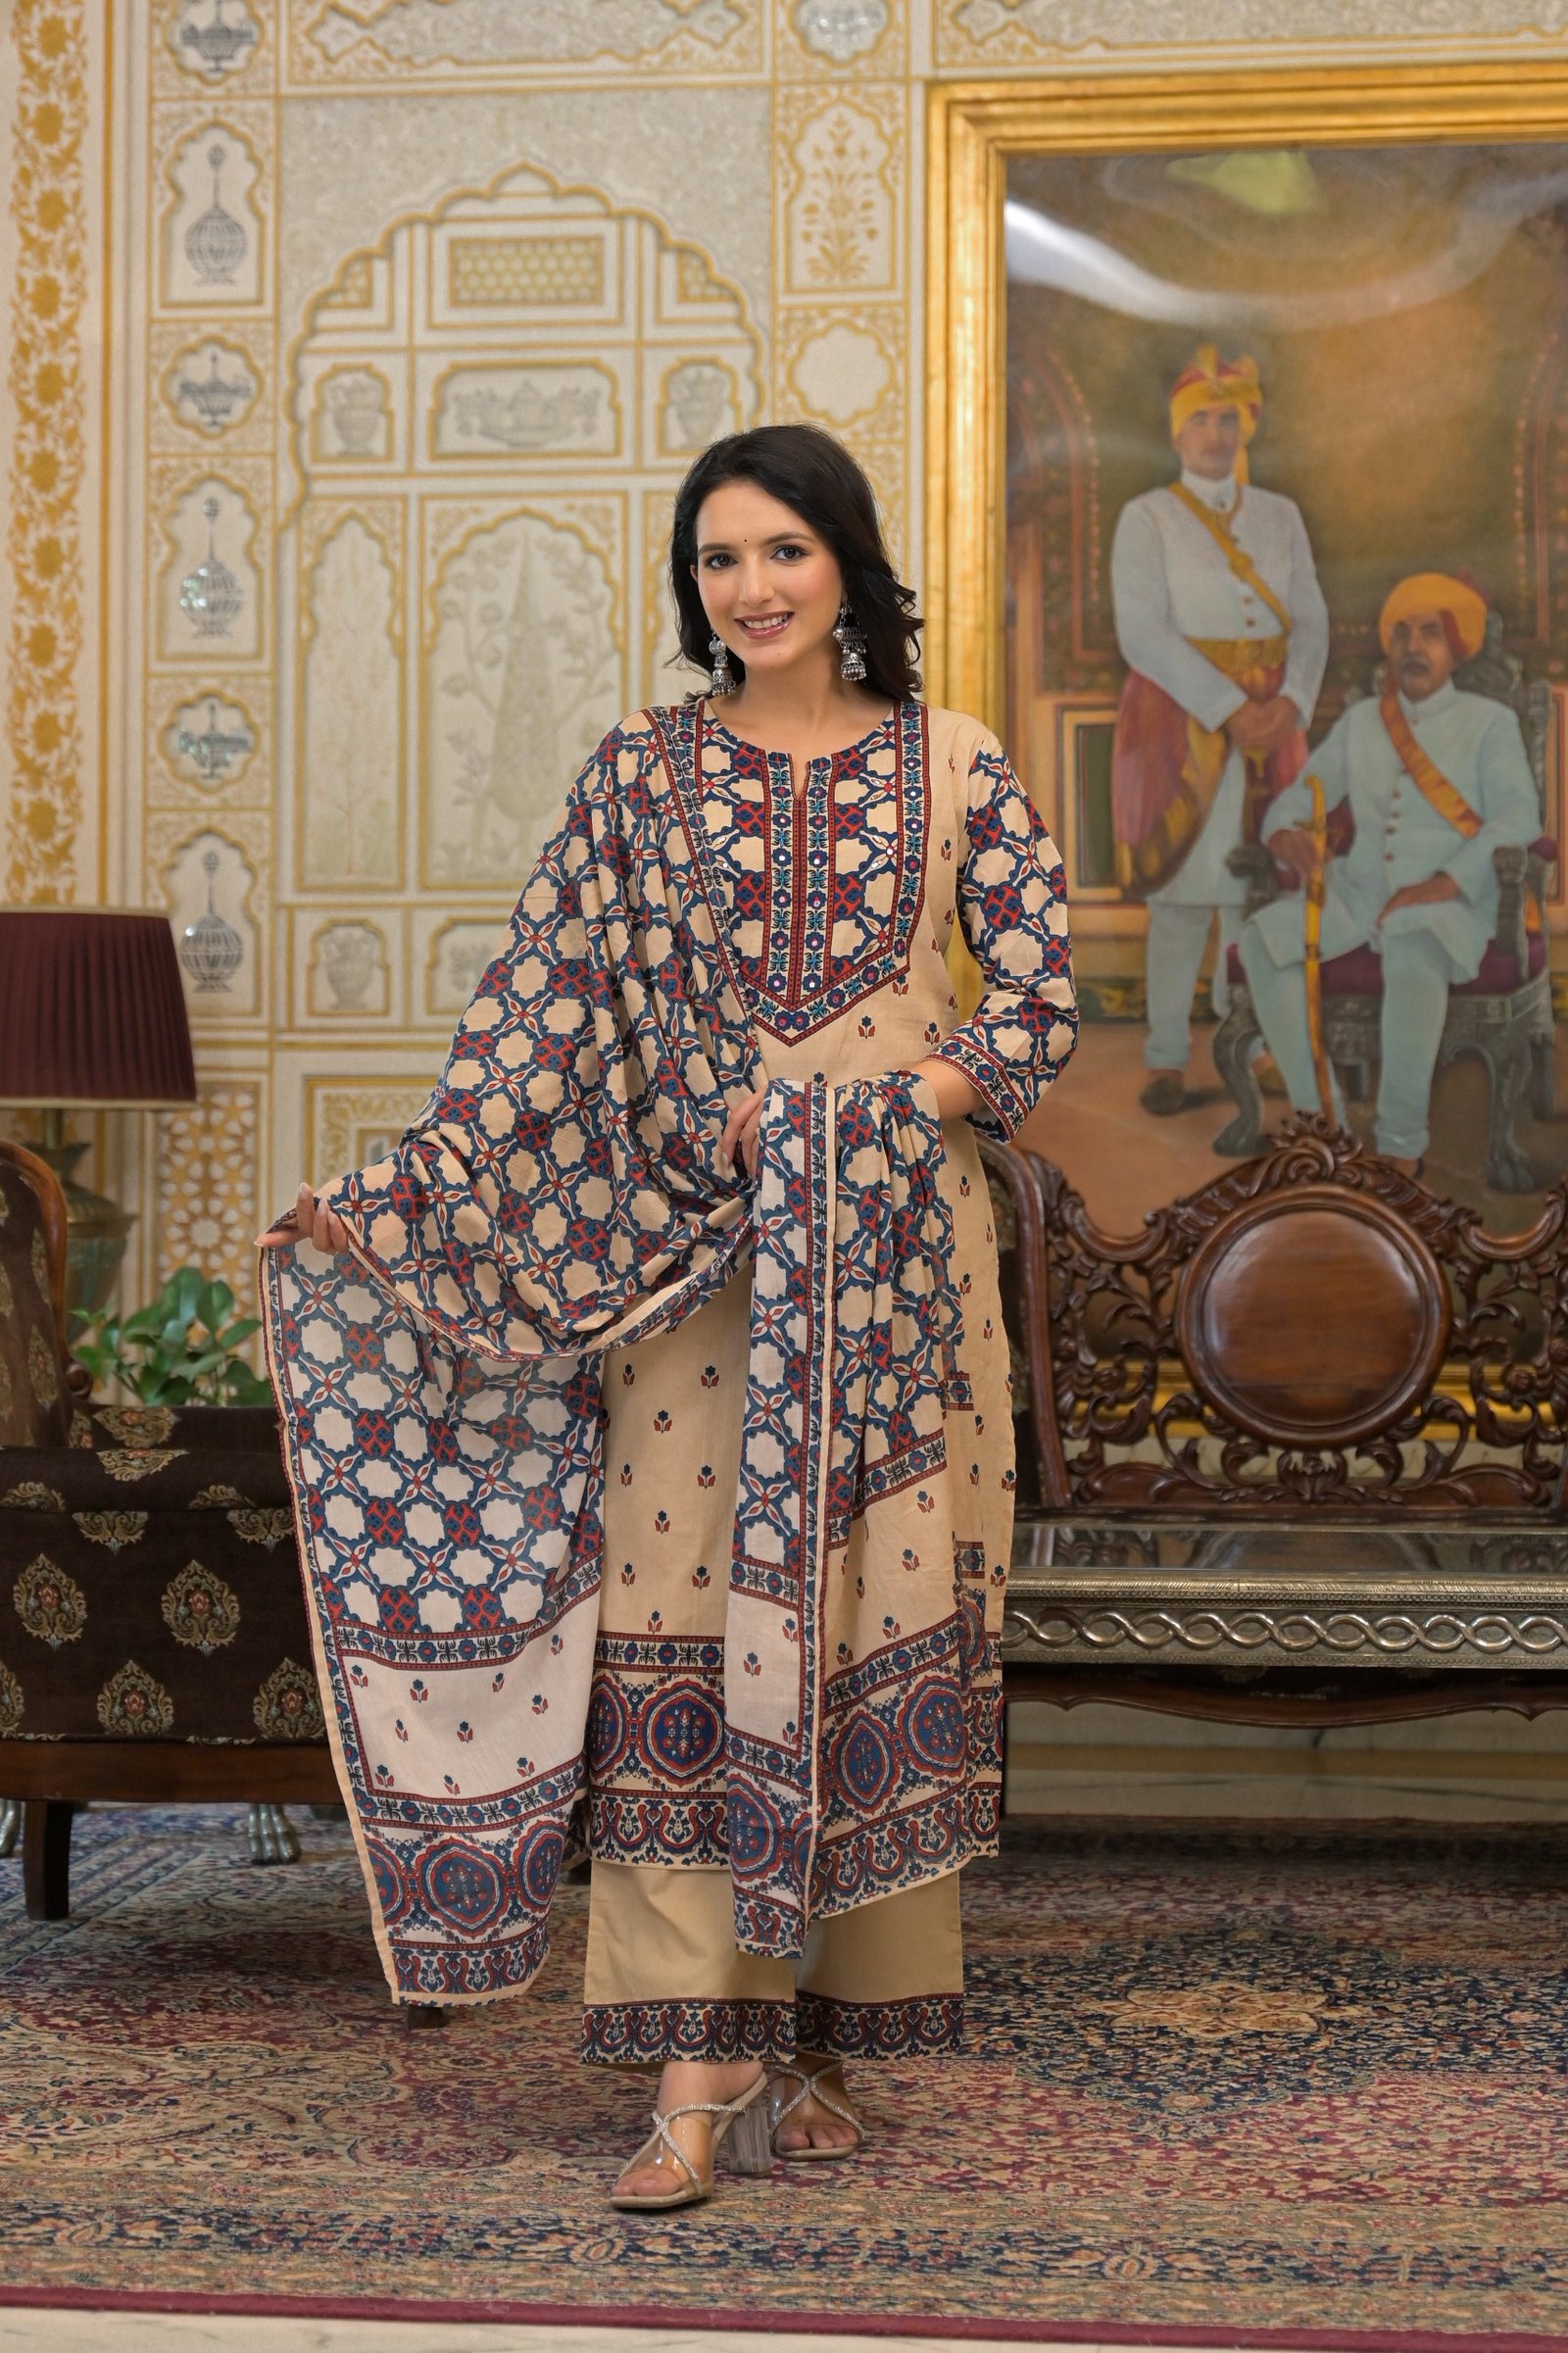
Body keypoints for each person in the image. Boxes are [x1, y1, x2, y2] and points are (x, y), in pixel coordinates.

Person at [259, 424, 1077, 2212]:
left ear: (848, 564)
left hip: (899, 1260)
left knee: (868, 1617)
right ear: (692, 586)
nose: (752, 587)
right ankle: (699, 2065)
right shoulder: (638, 774)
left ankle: (820, 2040)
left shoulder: (954, 761)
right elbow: (532, 1019)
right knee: (687, 1631)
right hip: (701, 1265)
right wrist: (393, 1199)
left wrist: (897, 1102)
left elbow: (1034, 1005)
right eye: (719, 558)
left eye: (784, 550)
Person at [1240, 571, 1540, 1174]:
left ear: (1456, 647)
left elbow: (1518, 819)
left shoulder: (1489, 722)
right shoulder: (1360, 722)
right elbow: (1300, 795)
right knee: (1261, 940)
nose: (1413, 647)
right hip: (1361, 893)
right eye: (1401, 634)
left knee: (1411, 942)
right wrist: (1287, 833)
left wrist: (1445, 882)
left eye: (1430, 633)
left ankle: (1401, 1147)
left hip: (1451, 901)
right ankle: (1324, 1124)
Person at [1110, 344, 1329, 1113]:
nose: (1215, 434)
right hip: (1179, 721)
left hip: (1273, 725)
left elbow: (1310, 620)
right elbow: (1143, 633)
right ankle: (1168, 1055)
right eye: (1200, 420)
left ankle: (1256, 1044)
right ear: (1178, 432)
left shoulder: (1280, 516)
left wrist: (1291, 703)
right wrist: (1231, 708)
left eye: (1227, 420)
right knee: (1180, 900)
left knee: (1253, 896)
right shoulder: (1148, 518)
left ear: (1246, 429)